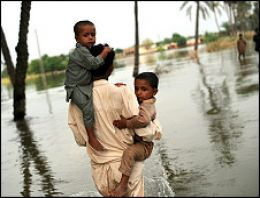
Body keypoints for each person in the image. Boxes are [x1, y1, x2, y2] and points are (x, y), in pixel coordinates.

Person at [68, 44, 162, 196]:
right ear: (110, 68)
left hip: (100, 173)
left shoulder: (76, 100)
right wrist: (157, 129)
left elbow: (80, 140)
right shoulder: (123, 92)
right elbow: (145, 133)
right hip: (126, 167)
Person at [110, 72, 161, 197]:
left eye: (144, 89)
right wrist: (123, 89)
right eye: (136, 88)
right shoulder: (142, 99)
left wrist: (126, 123)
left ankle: (122, 186)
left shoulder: (148, 105)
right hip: (139, 142)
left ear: (154, 91)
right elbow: (131, 99)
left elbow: (143, 121)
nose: (138, 92)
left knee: (129, 153)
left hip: (144, 146)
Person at [64, 20, 111, 151]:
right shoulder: (81, 51)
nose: (91, 37)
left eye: (93, 34)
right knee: (87, 108)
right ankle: (91, 137)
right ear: (77, 38)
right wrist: (105, 52)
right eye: (86, 35)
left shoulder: (86, 50)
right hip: (76, 86)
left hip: (84, 84)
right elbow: (94, 64)